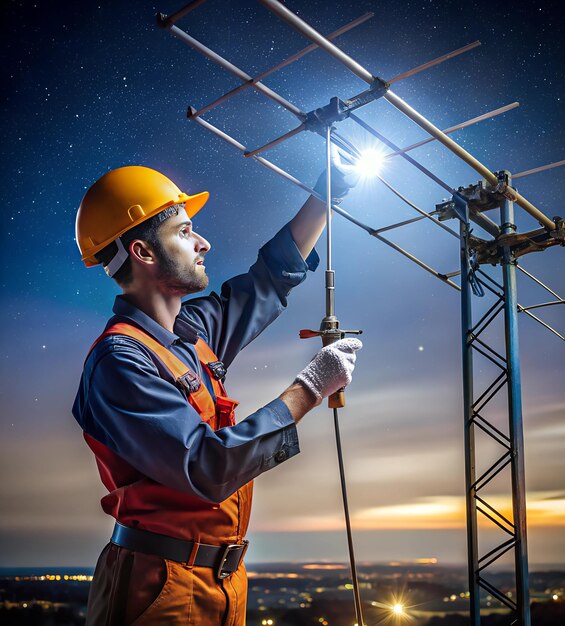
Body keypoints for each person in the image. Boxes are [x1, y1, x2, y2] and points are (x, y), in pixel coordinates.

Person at [72, 165, 362, 625]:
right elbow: (204, 466)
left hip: (222, 582)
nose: (204, 243)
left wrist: (324, 196)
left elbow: (267, 282)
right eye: (185, 231)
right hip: (159, 587)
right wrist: (308, 390)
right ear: (143, 251)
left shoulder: (190, 333)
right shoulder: (120, 362)